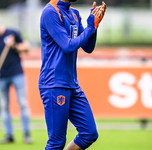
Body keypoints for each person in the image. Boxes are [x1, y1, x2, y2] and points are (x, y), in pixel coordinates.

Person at [39, 0, 106, 150]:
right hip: (54, 83)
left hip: (71, 83)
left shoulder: (74, 13)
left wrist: (94, 26)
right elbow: (68, 46)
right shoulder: (50, 12)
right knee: (57, 142)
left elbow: (88, 47)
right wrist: (91, 27)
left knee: (89, 133)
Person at [0, 16, 32, 144]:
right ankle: (9, 135)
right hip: (0, 76)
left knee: (23, 103)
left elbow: (26, 48)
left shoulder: (12, 33)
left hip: (17, 74)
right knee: (4, 106)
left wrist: (14, 45)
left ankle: (27, 134)